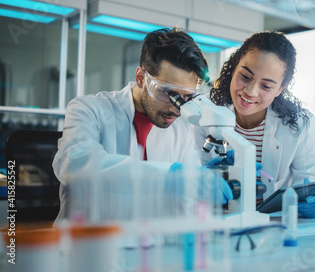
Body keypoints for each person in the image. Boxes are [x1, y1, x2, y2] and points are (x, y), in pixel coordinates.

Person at [53, 28, 232, 223]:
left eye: (187, 97)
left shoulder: (182, 128)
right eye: (168, 93)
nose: (177, 108)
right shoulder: (89, 109)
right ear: (140, 77)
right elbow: (74, 165)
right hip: (87, 244)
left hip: (148, 245)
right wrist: (170, 176)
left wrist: (206, 181)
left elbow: (184, 205)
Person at [197, 31, 315, 218]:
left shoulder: (300, 125)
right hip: (217, 223)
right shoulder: (203, 113)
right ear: (234, 69)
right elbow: (186, 180)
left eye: (266, 86)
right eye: (245, 77)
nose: (250, 91)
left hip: (276, 227)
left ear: (280, 89)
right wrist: (199, 181)